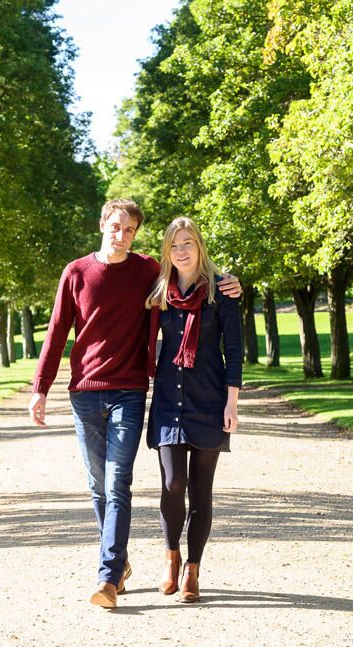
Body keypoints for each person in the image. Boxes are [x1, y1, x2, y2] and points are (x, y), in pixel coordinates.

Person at [28, 200, 240, 609]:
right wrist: (40, 388)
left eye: (129, 230)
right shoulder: (80, 272)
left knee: (117, 482)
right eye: (115, 227)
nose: (121, 235)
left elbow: (196, 280)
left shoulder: (147, 272)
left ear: (136, 234)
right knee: (98, 485)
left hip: (129, 390)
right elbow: (56, 332)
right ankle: (123, 562)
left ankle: (109, 577)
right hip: (85, 391)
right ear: (102, 225)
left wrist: (230, 282)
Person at [145, 216, 242, 603]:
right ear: (166, 251)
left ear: (199, 245)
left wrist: (232, 402)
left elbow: (233, 350)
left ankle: (193, 570)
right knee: (173, 484)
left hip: (209, 400)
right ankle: (171, 557)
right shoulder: (159, 293)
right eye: (174, 245)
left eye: (187, 243)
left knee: (202, 491)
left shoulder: (222, 291)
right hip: (169, 401)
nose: (181, 251)